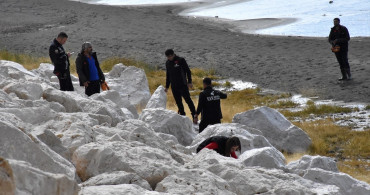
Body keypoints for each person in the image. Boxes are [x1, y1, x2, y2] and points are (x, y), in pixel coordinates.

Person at [164, 49, 196, 118]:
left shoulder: (180, 60)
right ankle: (182, 116)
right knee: (178, 102)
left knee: (188, 100)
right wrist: (167, 86)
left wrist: (189, 82)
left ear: (173, 54)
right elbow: (168, 75)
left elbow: (188, 71)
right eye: (168, 57)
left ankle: (194, 115)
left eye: (170, 56)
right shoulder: (167, 63)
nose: (169, 58)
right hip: (174, 86)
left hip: (183, 85)